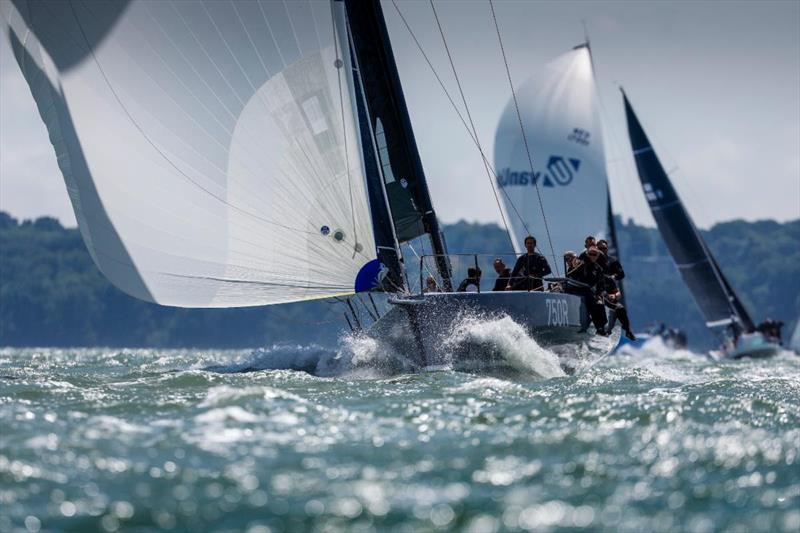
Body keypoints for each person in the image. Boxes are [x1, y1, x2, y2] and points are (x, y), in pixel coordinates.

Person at [565, 247, 608, 334]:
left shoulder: (598, 268)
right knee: (590, 298)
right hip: (575, 288)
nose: (592, 256)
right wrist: (575, 265)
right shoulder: (581, 264)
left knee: (599, 303)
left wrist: (599, 293)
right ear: (587, 254)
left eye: (594, 254)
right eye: (590, 254)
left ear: (597, 256)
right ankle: (587, 321)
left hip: (588, 290)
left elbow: (601, 284)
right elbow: (571, 274)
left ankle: (600, 327)